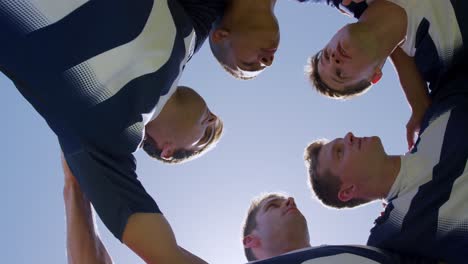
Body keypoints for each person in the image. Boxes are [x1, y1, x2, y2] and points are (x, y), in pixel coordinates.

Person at [0, 0, 280, 262]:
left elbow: (166, 256)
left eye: (205, 137)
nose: (212, 120)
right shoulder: (190, 27)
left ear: (167, 150)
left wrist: (77, 182)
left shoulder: (103, 147)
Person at [303, 66, 468, 262]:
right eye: (339, 151)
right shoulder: (389, 239)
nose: (348, 136)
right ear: (347, 191)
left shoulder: (436, 118)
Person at [299, 0, 467, 148]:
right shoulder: (444, 58)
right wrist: (419, 105)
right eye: (340, 74)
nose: (334, 60)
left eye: (327, 55)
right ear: (375, 76)